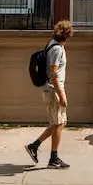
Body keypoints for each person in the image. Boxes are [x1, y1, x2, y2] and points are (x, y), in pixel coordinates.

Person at [25, 20, 73, 169]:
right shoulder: (57, 49)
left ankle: (34, 146)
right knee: (58, 123)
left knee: (59, 123)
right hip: (53, 90)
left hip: (52, 89)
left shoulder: (51, 44)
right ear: (67, 34)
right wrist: (61, 94)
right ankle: (53, 159)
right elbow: (53, 74)